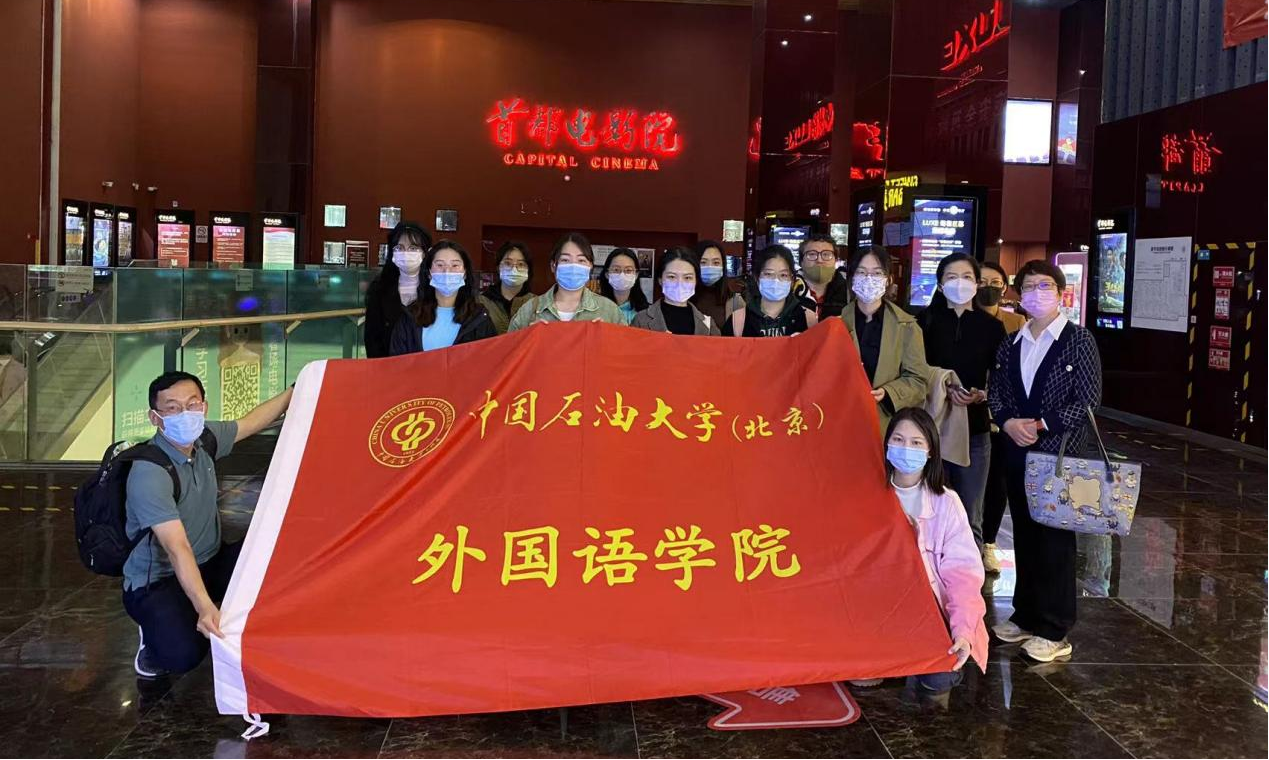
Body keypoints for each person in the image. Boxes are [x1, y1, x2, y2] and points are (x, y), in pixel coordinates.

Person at [124, 371, 293, 677]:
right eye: (172, 408)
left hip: (210, 561)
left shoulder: (205, 439)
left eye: (192, 404)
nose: (185, 414)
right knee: (183, 655)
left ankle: (201, 604)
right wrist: (204, 606)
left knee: (278, 558)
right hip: (159, 580)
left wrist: (297, 389)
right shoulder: (150, 474)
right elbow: (177, 548)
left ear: (204, 406)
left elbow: (251, 423)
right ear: (155, 418)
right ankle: (153, 634)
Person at [988, 260, 1102, 663]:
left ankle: (1054, 629)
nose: (1037, 293)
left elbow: (1087, 400)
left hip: (1059, 456)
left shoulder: (1078, 340)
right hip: (1018, 452)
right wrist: (1007, 421)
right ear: (1018, 294)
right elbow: (997, 391)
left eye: (1045, 285)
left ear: (1059, 292)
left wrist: (1039, 424)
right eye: (1029, 286)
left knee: (1055, 541)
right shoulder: (1011, 342)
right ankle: (1026, 614)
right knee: (1024, 533)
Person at [852, 407, 988, 692]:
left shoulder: (946, 503)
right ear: (887, 444)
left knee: (938, 678)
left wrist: (963, 631)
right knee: (858, 671)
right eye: (898, 440)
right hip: (876, 607)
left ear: (930, 451)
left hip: (927, 608)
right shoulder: (866, 496)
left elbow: (963, 575)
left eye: (916, 443)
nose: (906, 448)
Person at [918, 253, 1008, 550]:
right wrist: (943, 384)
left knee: (970, 512)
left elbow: (1000, 376)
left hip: (975, 428)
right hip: (930, 427)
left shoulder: (992, 327)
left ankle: (970, 573)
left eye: (968, 277)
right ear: (940, 284)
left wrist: (982, 394)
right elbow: (915, 370)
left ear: (977, 283)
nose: (960, 283)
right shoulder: (923, 322)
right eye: (952, 277)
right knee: (928, 508)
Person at [841, 246, 930, 435]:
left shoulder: (906, 326)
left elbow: (918, 381)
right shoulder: (835, 323)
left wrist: (889, 392)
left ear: (888, 279)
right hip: (841, 421)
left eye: (877, 273)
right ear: (852, 278)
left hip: (885, 426)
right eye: (861, 272)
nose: (869, 279)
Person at [390, 240, 496, 354]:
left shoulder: (478, 318)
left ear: (465, 273)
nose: (447, 271)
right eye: (440, 265)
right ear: (429, 273)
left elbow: (489, 358)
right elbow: (397, 360)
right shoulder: (410, 317)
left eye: (455, 265)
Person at [508, 232, 624, 330]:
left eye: (581, 260)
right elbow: (509, 348)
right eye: (565, 260)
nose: (573, 266)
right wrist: (528, 337)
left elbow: (626, 348)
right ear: (553, 265)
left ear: (590, 266)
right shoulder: (529, 310)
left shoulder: (610, 311)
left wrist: (608, 337)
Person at [364, 222, 432, 358]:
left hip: (426, 363)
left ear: (425, 253)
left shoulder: (434, 287)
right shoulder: (379, 287)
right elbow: (372, 336)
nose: (406, 253)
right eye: (399, 248)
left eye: (413, 248)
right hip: (388, 363)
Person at [721, 245, 819, 337]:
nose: (776, 281)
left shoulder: (808, 319)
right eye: (768, 274)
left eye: (783, 275)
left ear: (792, 280)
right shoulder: (738, 321)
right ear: (757, 278)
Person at [631, 246, 720, 336]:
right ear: (660, 280)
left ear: (696, 281)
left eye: (687, 278)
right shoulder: (641, 321)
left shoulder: (708, 325)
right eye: (672, 277)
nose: (679, 283)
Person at [477, 241, 536, 334]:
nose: (514, 269)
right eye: (508, 263)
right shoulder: (480, 302)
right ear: (498, 267)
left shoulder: (537, 303)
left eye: (521, 264)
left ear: (528, 269)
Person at [690, 240, 745, 328]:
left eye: (716, 263)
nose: (710, 267)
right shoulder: (683, 297)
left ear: (723, 266)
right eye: (703, 262)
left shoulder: (735, 302)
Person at [798, 234, 851, 319]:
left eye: (826, 254)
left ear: (836, 260)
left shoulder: (849, 292)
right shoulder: (788, 290)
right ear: (801, 261)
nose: (819, 260)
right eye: (812, 254)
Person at [598, 247, 650, 325]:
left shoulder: (647, 312)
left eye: (628, 270)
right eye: (616, 270)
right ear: (607, 274)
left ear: (636, 275)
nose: (622, 275)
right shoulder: (596, 308)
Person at [977, 261, 1027, 334]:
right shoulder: (961, 319)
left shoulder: (1017, 321)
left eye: (995, 282)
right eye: (981, 282)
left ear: (1004, 288)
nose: (989, 286)